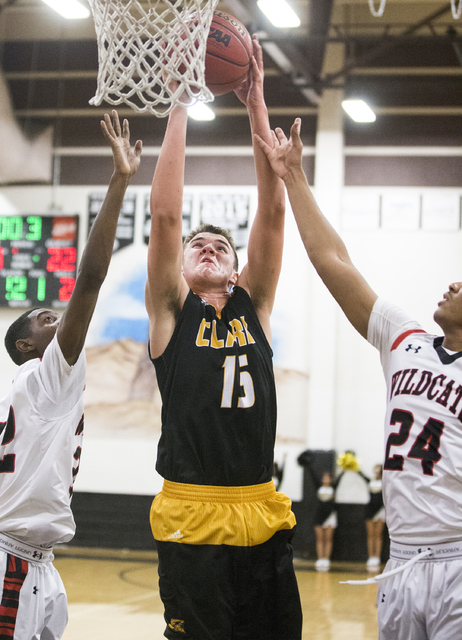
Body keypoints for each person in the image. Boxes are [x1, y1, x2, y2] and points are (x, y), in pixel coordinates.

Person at [255, 117, 462, 639]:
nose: (453, 283)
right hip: (402, 559)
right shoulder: (404, 337)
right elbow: (333, 261)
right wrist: (294, 177)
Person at [145, 36, 302, 640]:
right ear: (181, 270)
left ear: (236, 270)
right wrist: (181, 99)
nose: (208, 247)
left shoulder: (254, 307)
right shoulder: (169, 313)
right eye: (197, 246)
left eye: (222, 247)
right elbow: (164, 217)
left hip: (260, 503)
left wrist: (256, 104)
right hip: (192, 507)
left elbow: (272, 214)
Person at [0, 111, 141, 640]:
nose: (54, 314)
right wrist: (120, 180)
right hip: (12, 561)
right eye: (42, 319)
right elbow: (90, 279)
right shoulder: (44, 377)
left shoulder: (22, 394)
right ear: (25, 346)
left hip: (38, 561)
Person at [365, 464, 385, 570]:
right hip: (370, 510)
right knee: (370, 535)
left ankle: (377, 557)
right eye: (375, 470)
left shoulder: (384, 482)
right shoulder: (370, 481)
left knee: (378, 535)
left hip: (380, 510)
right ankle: (370, 556)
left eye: (379, 471)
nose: (377, 472)